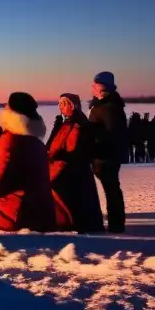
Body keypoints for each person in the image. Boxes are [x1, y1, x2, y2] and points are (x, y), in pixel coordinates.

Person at [0, 93, 55, 232]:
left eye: (7, 105)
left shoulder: (10, 140)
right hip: (42, 213)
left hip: (16, 213)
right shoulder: (37, 143)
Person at [47, 94, 104, 233]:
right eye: (59, 103)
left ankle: (71, 222)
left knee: (73, 199)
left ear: (73, 105)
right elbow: (53, 145)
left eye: (64, 103)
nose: (61, 106)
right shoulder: (67, 122)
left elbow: (76, 147)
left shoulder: (79, 123)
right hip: (65, 167)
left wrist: (63, 156)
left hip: (73, 170)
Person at [88, 71, 127, 233]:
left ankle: (116, 224)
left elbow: (111, 134)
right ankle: (115, 222)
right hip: (104, 155)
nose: (92, 87)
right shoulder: (104, 105)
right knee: (111, 189)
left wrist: (93, 137)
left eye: (94, 84)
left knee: (111, 189)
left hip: (106, 157)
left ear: (101, 86)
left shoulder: (109, 107)